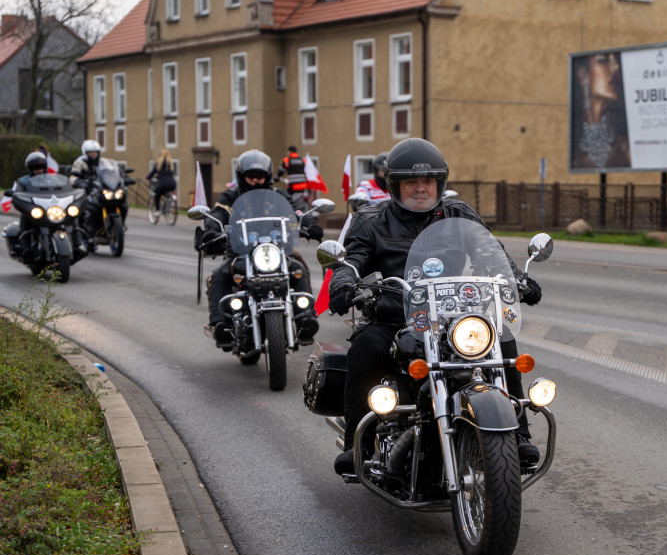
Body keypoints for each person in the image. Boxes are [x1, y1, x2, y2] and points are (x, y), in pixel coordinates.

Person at [327, 137, 543, 475]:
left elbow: (490, 252)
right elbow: (351, 262)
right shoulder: (371, 220)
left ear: (439, 183)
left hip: (454, 318)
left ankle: (517, 435)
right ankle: (361, 442)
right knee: (365, 347)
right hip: (396, 319)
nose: (420, 189)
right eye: (411, 182)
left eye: (427, 181)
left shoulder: (459, 214)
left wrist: (517, 280)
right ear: (394, 185)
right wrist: (343, 284)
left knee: (501, 339)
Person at [199, 149, 323, 347]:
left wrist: (309, 223)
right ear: (241, 177)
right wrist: (212, 229)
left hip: (275, 252)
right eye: (251, 177)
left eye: (260, 177)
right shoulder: (231, 196)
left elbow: (296, 211)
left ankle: (305, 318)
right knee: (220, 274)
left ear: (267, 177)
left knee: (299, 270)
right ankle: (220, 323)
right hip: (240, 253)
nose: (256, 181)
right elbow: (219, 212)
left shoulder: (277, 195)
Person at [571, 52, 631, 170]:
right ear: (583, 75)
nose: (615, 66)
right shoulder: (573, 142)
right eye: (603, 60)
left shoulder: (626, 147)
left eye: (616, 60)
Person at [145, 148, 177, 219]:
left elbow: (152, 173)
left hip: (162, 184)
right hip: (172, 184)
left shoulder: (159, 163)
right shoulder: (171, 164)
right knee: (166, 193)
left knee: (157, 195)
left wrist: (147, 177)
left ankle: (157, 211)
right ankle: (170, 204)